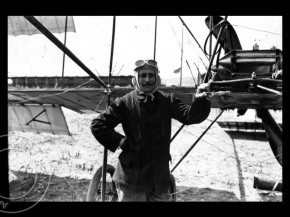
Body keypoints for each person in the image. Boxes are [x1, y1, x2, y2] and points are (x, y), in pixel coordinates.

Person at [91, 59, 211, 202]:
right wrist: (120, 141)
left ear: (157, 78)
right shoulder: (125, 102)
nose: (147, 80)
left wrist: (200, 98)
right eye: (143, 76)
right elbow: (98, 124)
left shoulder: (168, 101)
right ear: (136, 79)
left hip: (159, 180)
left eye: (151, 75)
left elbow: (191, 116)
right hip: (131, 179)